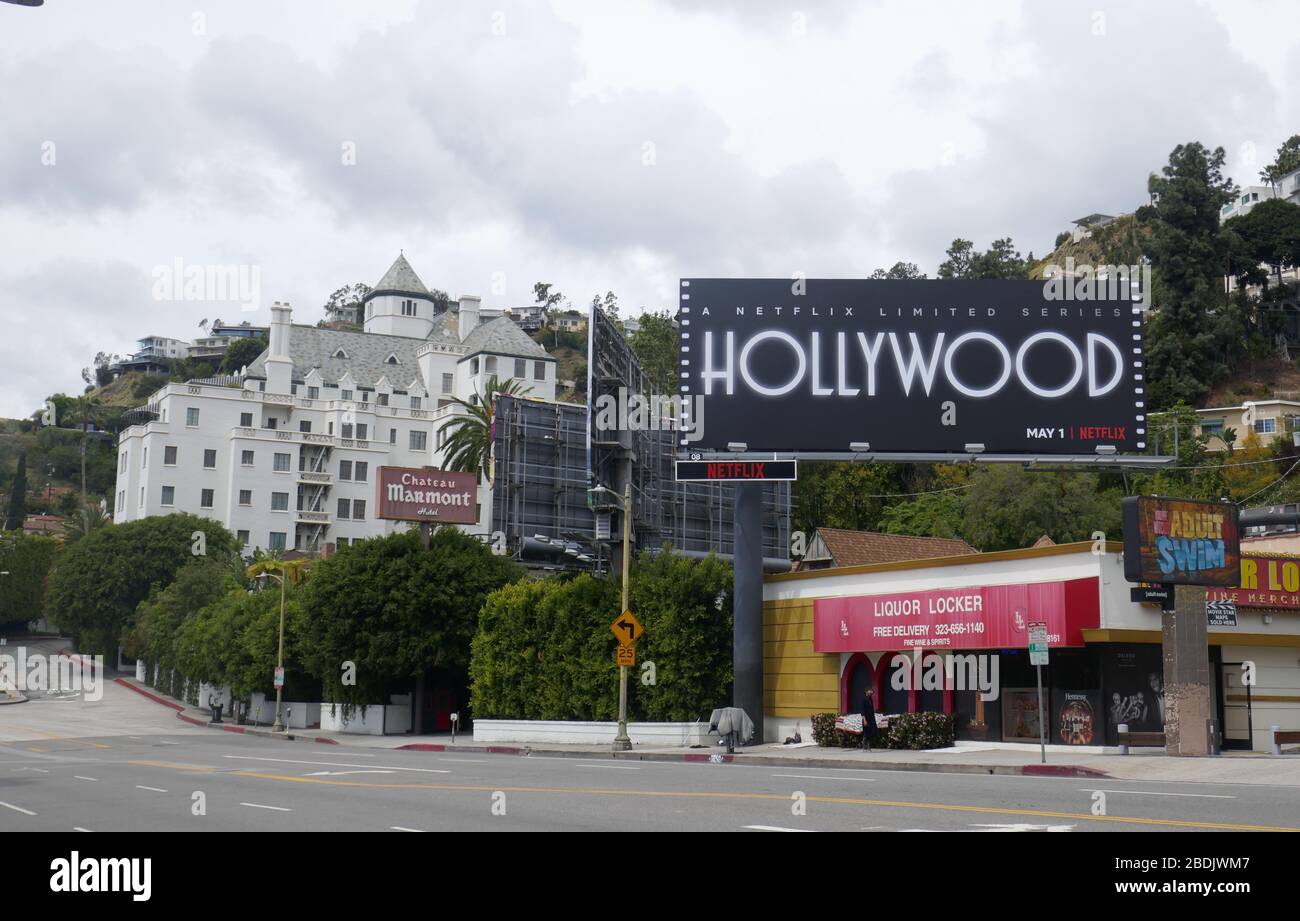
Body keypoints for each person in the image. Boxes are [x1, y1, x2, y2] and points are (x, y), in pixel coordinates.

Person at [860, 686, 877, 751]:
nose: (871, 693)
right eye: (869, 692)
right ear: (866, 692)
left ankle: (869, 746)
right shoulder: (863, 699)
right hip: (866, 719)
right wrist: (864, 720)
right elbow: (862, 711)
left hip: (871, 718)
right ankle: (864, 747)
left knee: (870, 732)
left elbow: (872, 709)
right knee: (866, 732)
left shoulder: (870, 699)